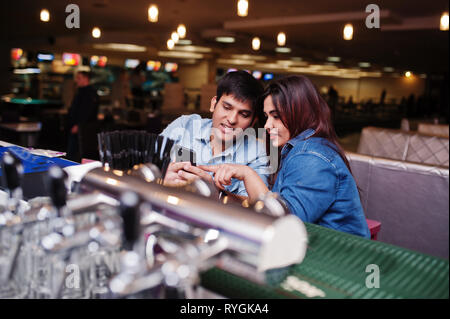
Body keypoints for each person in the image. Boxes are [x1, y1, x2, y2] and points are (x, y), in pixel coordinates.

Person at [199, 75, 370, 238]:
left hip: (338, 257)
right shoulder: (299, 149)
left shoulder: (311, 157)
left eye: (276, 116)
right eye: (266, 117)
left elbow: (282, 224)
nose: (267, 125)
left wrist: (247, 174)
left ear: (300, 112)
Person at [160, 71, 269, 197]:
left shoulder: (257, 153)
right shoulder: (185, 125)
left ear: (252, 122)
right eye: (227, 107)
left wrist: (215, 193)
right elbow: (145, 164)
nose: (232, 119)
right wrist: (161, 177)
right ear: (213, 104)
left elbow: (255, 206)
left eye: (243, 114)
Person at [66, 71, 99, 162]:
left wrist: (79, 125)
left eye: (79, 78)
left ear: (86, 79)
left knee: (77, 154)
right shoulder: (82, 92)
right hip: (79, 127)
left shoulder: (89, 93)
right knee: (74, 153)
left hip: (83, 129)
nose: (77, 80)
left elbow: (87, 111)